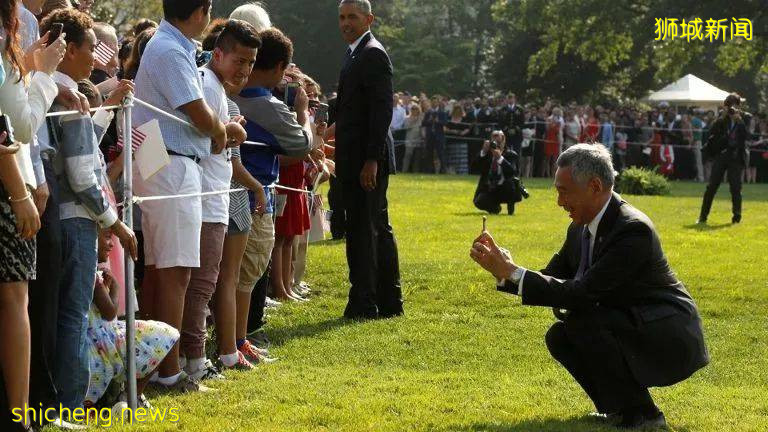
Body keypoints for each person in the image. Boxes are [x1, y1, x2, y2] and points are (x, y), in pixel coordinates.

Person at [470, 144, 709, 429]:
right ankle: (619, 410)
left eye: (564, 191)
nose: (559, 202)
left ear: (595, 186)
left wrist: (512, 272)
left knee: (584, 322)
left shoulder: (633, 229)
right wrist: (505, 269)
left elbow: (582, 294)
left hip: (667, 333)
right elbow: (552, 277)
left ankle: (645, 414)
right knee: (561, 335)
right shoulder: (580, 226)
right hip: (630, 322)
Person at [39, 8, 138, 411]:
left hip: (58, 218)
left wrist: (109, 107)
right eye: (87, 48)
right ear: (68, 50)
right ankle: (71, 406)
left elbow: (82, 147)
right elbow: (83, 174)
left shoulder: (53, 91)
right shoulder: (69, 95)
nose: (94, 57)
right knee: (73, 317)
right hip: (77, 221)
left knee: (62, 314)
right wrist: (115, 223)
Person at [131, 0, 227, 393]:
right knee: (175, 271)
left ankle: (154, 366)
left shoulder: (170, 44)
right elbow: (198, 112)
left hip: (164, 159)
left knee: (163, 270)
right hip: (170, 163)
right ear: (202, 10)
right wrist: (222, 132)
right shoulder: (170, 48)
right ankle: (168, 373)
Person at [180, 19, 258, 380]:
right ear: (219, 53)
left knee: (204, 281)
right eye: (238, 60)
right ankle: (194, 363)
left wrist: (230, 127)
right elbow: (211, 140)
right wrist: (233, 130)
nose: (244, 70)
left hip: (214, 193)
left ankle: (191, 357)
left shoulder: (216, 88)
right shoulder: (208, 85)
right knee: (202, 284)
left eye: (250, 63)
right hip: (208, 195)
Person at [230, 26, 315, 352]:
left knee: (235, 274)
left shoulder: (228, 93)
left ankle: (236, 340)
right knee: (248, 272)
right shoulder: (266, 104)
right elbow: (301, 143)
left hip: (232, 193)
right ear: (279, 67)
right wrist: (303, 112)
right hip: (254, 196)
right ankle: (237, 341)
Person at [335, 0, 403, 320]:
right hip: (357, 156)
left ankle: (365, 301)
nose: (345, 23)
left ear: (369, 19)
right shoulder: (355, 52)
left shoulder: (372, 53)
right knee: (374, 227)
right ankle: (388, 300)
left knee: (364, 229)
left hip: (366, 159)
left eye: (352, 17)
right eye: (342, 17)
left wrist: (372, 160)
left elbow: (382, 111)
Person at [85, 229, 178, 410]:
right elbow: (110, 312)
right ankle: (132, 395)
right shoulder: (93, 277)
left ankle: (127, 396)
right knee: (164, 335)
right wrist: (115, 288)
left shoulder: (85, 273)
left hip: (95, 339)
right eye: (106, 237)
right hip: (101, 342)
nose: (112, 244)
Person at [698, 93, 748, 224]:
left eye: (734, 106)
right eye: (729, 106)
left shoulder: (745, 118)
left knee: (736, 188)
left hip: (736, 156)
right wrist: (721, 118)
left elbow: (746, 137)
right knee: (711, 187)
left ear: (739, 106)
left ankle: (736, 217)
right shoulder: (722, 120)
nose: (731, 109)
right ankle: (703, 217)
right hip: (721, 155)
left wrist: (740, 121)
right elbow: (711, 135)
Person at [472, 130, 525, 215]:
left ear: (503, 138)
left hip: (506, 187)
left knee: (511, 183)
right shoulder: (487, 154)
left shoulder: (511, 154)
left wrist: (500, 159)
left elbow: (513, 171)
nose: (495, 138)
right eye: (493, 136)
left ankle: (510, 208)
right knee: (478, 201)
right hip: (491, 187)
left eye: (497, 136)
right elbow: (474, 168)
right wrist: (483, 152)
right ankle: (495, 208)